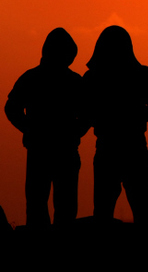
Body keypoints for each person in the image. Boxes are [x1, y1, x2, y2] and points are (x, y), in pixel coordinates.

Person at [81, 25, 148, 226]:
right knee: (141, 211)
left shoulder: (92, 78)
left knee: (106, 212)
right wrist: (139, 117)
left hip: (110, 149)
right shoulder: (141, 74)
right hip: (132, 148)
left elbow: (83, 111)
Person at [5, 27, 88, 227]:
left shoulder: (32, 78)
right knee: (54, 207)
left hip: (46, 151)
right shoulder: (73, 81)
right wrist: (30, 129)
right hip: (53, 151)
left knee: (42, 206)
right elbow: (11, 108)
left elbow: (11, 108)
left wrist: (30, 130)